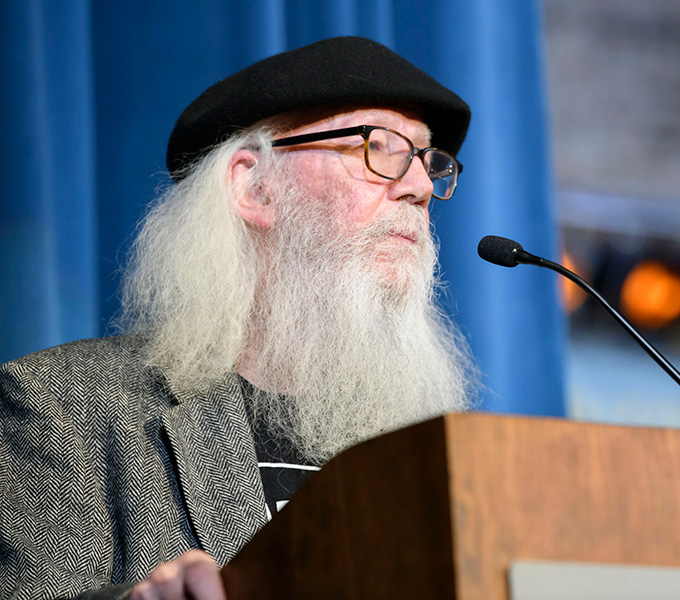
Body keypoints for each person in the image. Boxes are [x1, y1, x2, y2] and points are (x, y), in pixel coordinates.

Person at [0, 36, 477, 600]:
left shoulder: (426, 452)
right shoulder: (62, 406)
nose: (421, 185)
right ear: (254, 188)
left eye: (427, 160)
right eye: (382, 148)